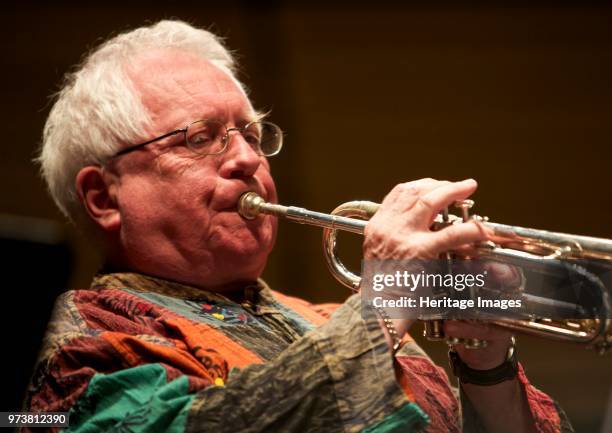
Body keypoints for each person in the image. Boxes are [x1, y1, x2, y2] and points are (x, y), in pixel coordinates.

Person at [26, 20, 572, 433]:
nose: (247, 159)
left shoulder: (334, 319)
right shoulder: (76, 347)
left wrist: (485, 364)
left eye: (252, 135)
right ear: (103, 196)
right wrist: (382, 302)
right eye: (200, 137)